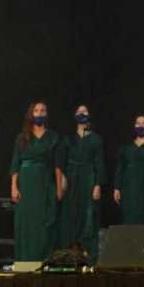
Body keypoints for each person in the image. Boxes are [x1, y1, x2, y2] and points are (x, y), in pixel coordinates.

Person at [11, 101, 64, 262]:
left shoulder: (53, 137)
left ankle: (43, 260)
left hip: (45, 183)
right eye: (36, 110)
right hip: (26, 184)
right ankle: (25, 260)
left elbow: (58, 165)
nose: (40, 113)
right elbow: (15, 163)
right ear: (31, 114)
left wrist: (59, 187)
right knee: (26, 222)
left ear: (46, 114)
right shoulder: (22, 137)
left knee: (44, 222)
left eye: (43, 110)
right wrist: (14, 187)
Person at [57, 104, 107, 260]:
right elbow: (61, 161)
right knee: (69, 215)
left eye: (84, 111)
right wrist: (62, 178)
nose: (82, 114)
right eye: (79, 112)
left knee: (88, 216)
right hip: (71, 180)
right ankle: (68, 254)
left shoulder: (96, 139)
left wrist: (97, 184)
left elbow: (99, 163)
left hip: (88, 180)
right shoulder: (68, 139)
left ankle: (89, 256)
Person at [114, 115, 144, 224]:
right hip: (129, 189)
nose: (141, 126)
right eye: (138, 123)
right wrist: (117, 187)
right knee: (129, 219)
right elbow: (120, 168)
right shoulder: (126, 147)